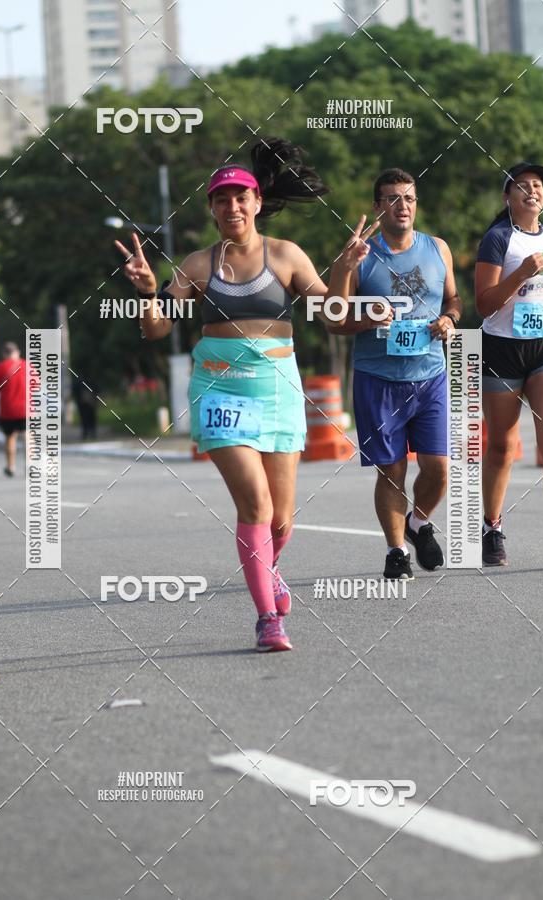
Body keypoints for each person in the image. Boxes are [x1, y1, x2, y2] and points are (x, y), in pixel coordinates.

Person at [115, 138, 374, 651]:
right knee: (254, 504)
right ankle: (266, 619)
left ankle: (267, 571)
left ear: (257, 203)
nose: (232, 206)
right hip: (219, 392)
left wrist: (344, 270)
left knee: (281, 517)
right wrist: (148, 295)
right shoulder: (196, 265)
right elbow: (157, 331)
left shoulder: (286, 256)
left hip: (278, 390)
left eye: (240, 197)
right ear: (211, 209)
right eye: (221, 200)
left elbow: (334, 318)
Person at [329, 167, 462, 580]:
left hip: (431, 375)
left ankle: (419, 521)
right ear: (377, 206)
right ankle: (396, 551)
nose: (402, 205)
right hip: (378, 377)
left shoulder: (438, 248)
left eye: (409, 198)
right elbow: (334, 318)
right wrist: (366, 315)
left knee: (439, 467)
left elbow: (455, 300)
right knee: (393, 470)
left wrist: (450, 320)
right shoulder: (359, 255)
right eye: (392, 198)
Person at [476, 162, 543, 566]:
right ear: (508, 198)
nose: (531, 191)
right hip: (503, 349)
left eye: (537, 185)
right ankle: (492, 526)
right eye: (522, 186)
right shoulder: (497, 239)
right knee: (503, 446)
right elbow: (485, 305)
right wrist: (522, 273)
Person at [0, 341, 28, 476]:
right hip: (26, 409)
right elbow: (36, 385)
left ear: (4, 353)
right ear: (17, 352)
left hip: (7, 410)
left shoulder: (0, 367)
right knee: (27, 436)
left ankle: (11, 467)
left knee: (10, 438)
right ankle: (30, 465)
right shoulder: (27, 366)